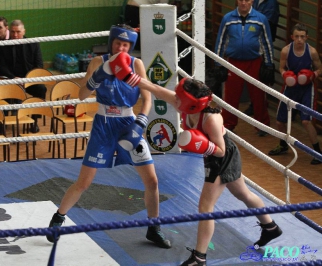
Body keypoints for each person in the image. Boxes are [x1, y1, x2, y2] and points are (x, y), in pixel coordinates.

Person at [105, 51, 283, 265]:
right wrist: (130, 77)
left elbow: (221, 151)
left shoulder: (211, 119)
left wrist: (200, 144)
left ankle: (199, 257)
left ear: (192, 104)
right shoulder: (184, 102)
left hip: (221, 156)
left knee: (205, 208)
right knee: (243, 193)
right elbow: (158, 90)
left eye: (180, 98)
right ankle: (270, 227)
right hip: (214, 154)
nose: (175, 99)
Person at [46, 24, 171, 249]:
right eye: (117, 43)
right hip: (103, 125)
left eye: (125, 45)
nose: (121, 47)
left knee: (152, 180)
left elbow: (148, 96)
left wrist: (141, 122)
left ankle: (154, 228)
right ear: (111, 42)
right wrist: (97, 77)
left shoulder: (136, 64)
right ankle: (58, 219)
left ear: (130, 46)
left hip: (128, 123)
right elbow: (81, 94)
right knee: (84, 181)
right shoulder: (98, 62)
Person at [214, 0, 275, 136]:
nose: (243, 3)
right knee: (230, 96)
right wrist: (218, 64)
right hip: (233, 63)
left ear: (251, 1)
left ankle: (263, 126)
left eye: (246, 0)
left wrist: (269, 65)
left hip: (255, 62)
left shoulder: (261, 19)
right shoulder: (227, 18)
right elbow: (221, 41)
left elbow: (267, 42)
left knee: (258, 95)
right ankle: (228, 125)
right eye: (241, 0)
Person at [268, 23, 322, 165]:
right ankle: (283, 145)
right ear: (292, 37)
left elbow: (320, 68)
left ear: (306, 37)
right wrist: (286, 75)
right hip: (290, 88)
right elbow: (281, 67)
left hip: (306, 89)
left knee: (306, 121)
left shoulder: (312, 52)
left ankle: (318, 152)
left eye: (302, 37)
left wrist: (312, 75)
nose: (299, 39)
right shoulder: (286, 50)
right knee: (280, 121)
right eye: (297, 36)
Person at [0, 19, 47, 133]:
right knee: (2, 90)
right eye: (13, 32)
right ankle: (3, 122)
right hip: (11, 79)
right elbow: (2, 67)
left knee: (41, 89)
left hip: (29, 79)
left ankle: (34, 122)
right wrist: (13, 79)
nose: (15, 35)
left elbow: (39, 65)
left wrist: (27, 80)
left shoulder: (33, 44)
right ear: (10, 31)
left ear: (24, 31)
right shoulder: (4, 46)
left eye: (18, 32)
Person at [244, 0, 280, 116]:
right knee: (252, 76)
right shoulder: (254, 1)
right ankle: (255, 104)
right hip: (252, 43)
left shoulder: (271, 3)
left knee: (261, 76)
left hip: (263, 44)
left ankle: (259, 106)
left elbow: (265, 24)